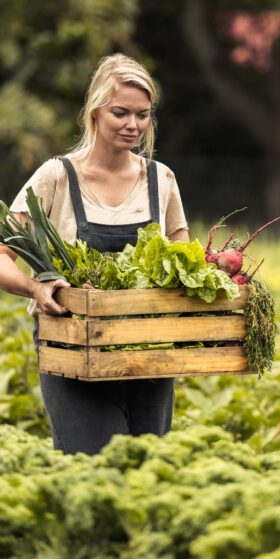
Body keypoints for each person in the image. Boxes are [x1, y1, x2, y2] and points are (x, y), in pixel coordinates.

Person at [0, 53, 189, 455]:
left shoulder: (161, 179)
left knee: (148, 473)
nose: (132, 125)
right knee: (92, 469)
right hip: (74, 353)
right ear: (95, 112)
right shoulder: (57, 177)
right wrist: (36, 288)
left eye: (143, 115)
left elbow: (185, 264)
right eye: (121, 112)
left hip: (148, 354)